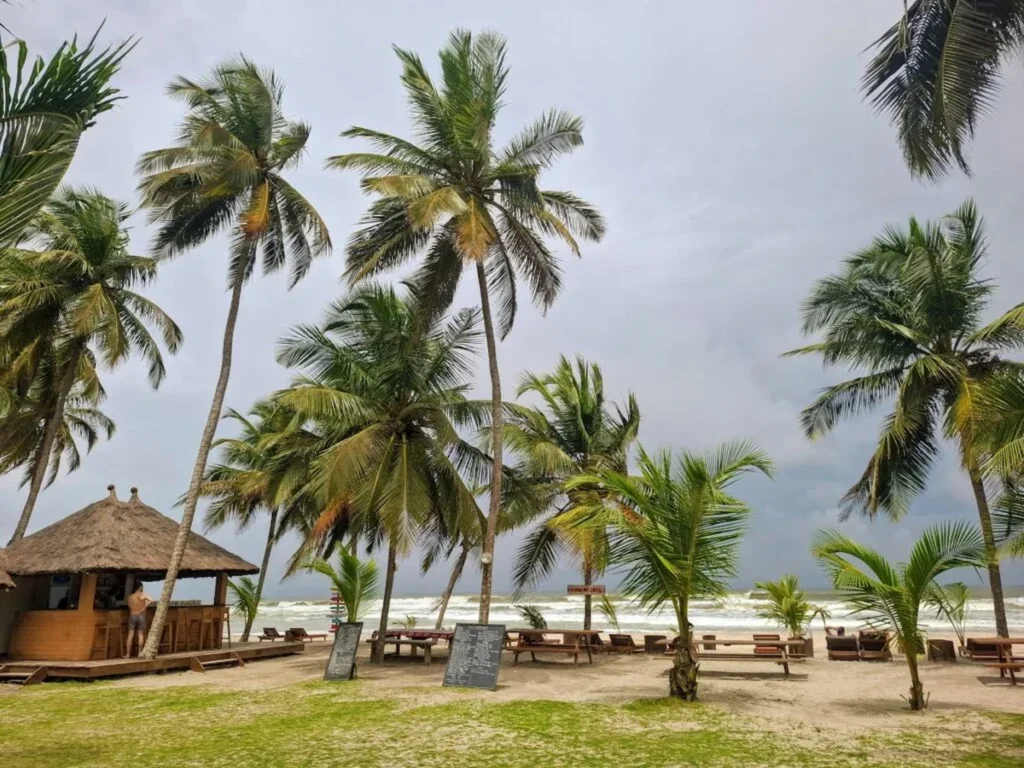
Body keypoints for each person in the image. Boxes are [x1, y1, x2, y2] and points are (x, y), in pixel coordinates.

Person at [124, 582, 154, 658]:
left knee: (130, 634)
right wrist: (144, 607)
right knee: (140, 634)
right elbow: (151, 600)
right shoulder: (141, 594)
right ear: (140, 587)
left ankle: (128, 654)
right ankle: (140, 653)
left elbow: (130, 606)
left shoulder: (130, 597)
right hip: (141, 616)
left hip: (132, 615)